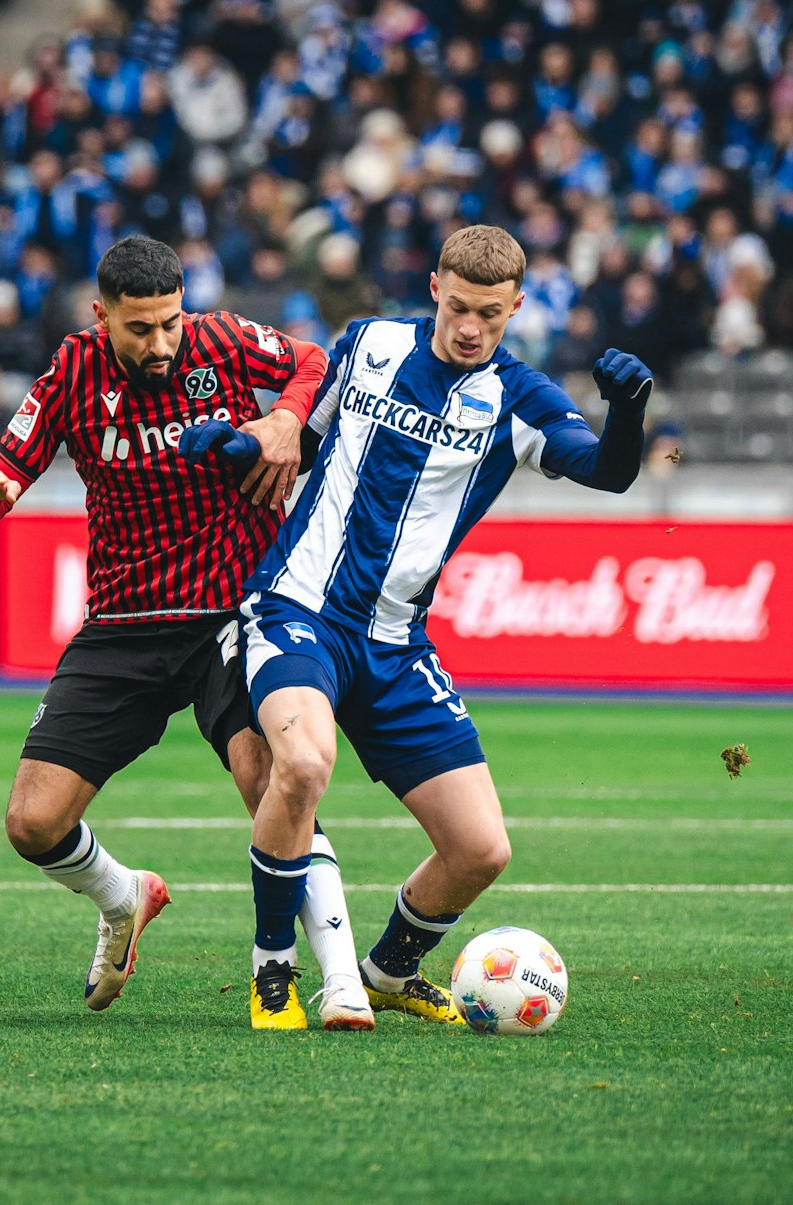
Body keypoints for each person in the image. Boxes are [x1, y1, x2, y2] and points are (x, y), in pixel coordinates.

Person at [191, 226, 649, 1030]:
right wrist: (232, 446)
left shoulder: (520, 395)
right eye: (463, 306)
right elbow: (297, 442)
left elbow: (608, 471)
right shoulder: (368, 344)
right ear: (436, 286)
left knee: (482, 849)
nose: (473, 328)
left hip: (398, 645)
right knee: (302, 764)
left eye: (493, 315)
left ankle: (388, 970)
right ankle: (274, 972)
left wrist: (631, 411)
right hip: (298, 609)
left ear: (515, 308)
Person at [0, 236, 377, 1029]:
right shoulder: (70, 374)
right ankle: (125, 896)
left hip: (235, 610)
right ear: (101, 314)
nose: (160, 343)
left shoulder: (221, 341)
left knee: (278, 777)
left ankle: (340, 979)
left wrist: (285, 419)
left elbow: (316, 359)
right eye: (140, 328)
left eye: (169, 323)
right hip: (124, 622)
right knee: (31, 822)